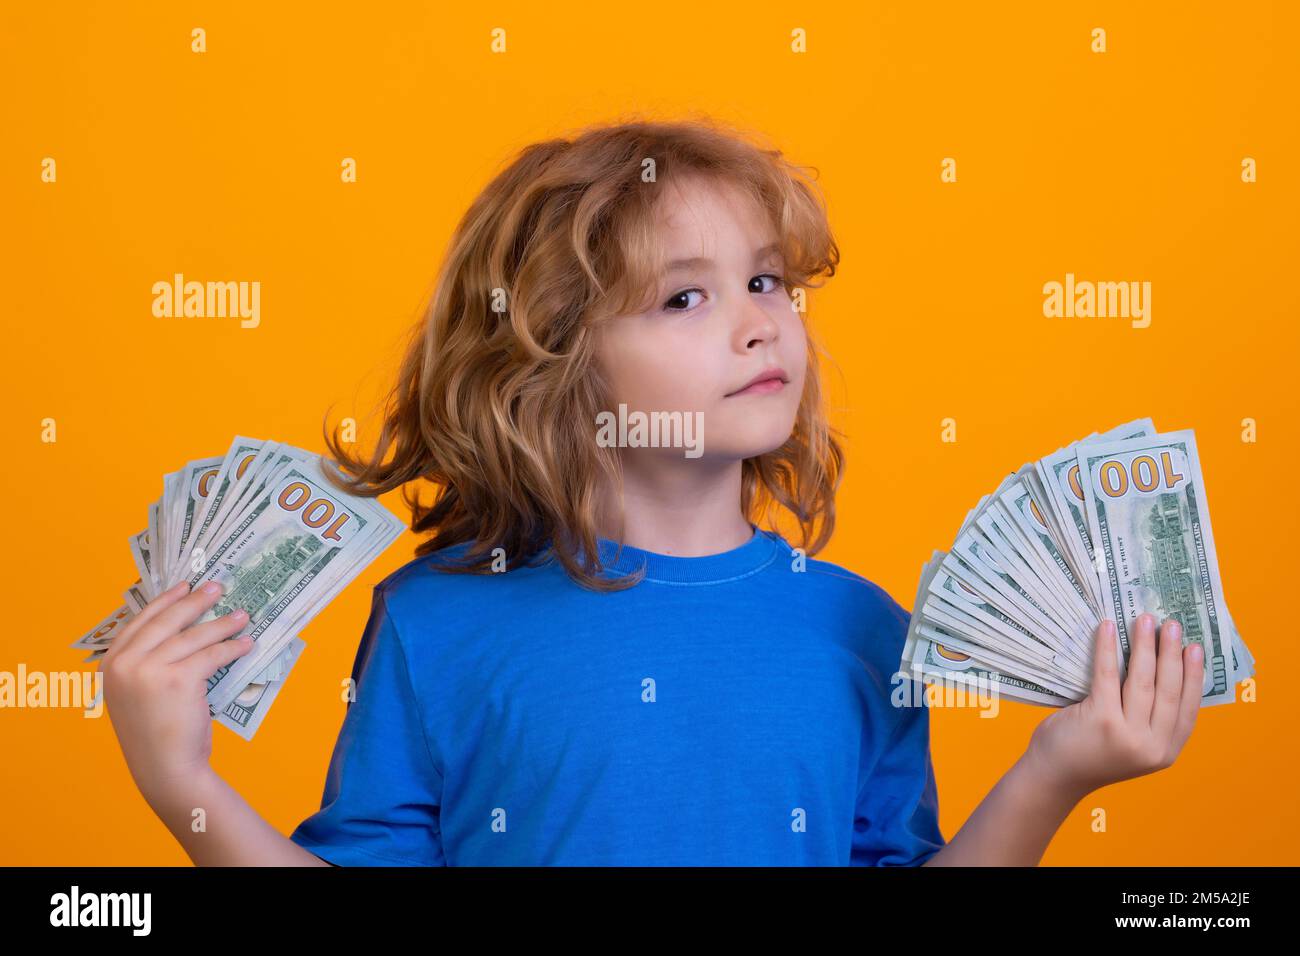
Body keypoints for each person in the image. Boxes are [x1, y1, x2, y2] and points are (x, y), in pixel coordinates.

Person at [101, 117, 1204, 866]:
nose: (758, 319)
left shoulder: (865, 626)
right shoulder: (434, 622)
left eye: (766, 280)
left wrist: (1055, 770)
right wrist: (177, 776)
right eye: (684, 297)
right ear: (552, 361)